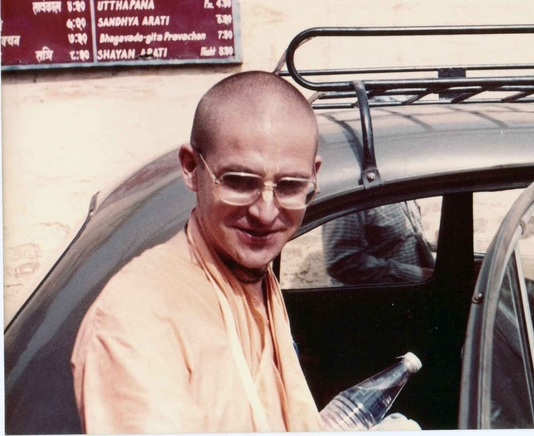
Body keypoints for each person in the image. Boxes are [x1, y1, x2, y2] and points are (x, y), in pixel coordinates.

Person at [70, 71, 419, 433]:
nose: (265, 213)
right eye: (238, 181)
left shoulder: (252, 275)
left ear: (313, 176)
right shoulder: (138, 316)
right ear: (191, 168)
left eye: (290, 186)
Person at [322, 201, 435, 284]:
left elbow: (406, 236)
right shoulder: (355, 194)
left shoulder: (395, 182)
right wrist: (414, 275)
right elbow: (341, 263)